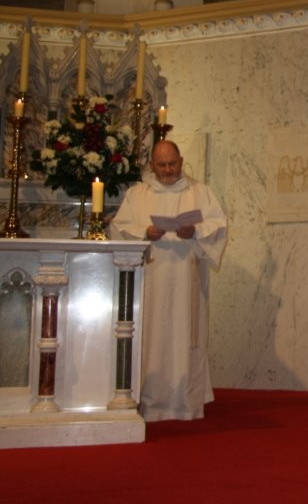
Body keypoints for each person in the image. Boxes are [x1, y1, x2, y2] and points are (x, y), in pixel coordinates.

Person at [111, 139, 228, 421]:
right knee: (152, 339)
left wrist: (195, 231)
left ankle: (185, 403)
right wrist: (145, 232)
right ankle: (150, 402)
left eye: (172, 164)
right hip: (151, 281)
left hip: (186, 281)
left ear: (181, 162)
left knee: (185, 337)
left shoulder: (200, 192)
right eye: (162, 165)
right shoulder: (137, 195)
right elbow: (118, 227)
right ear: (152, 165)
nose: (168, 170)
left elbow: (219, 225)